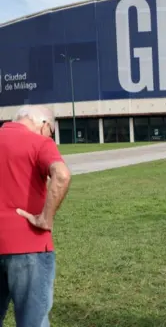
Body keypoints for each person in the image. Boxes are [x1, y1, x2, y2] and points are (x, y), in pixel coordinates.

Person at [0, 105, 72, 327]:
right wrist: (45, 218)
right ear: (45, 125)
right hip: (28, 245)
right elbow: (61, 175)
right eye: (51, 132)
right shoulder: (40, 142)